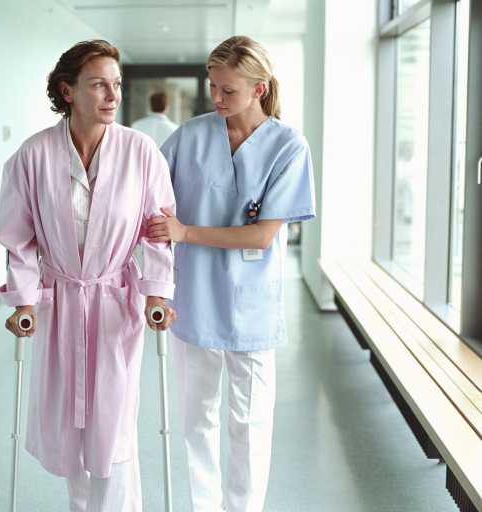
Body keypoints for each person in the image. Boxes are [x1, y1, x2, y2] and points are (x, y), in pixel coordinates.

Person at [0, 40, 177, 512]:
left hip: (116, 300)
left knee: (113, 426)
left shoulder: (141, 151)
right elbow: (19, 238)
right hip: (60, 303)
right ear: (68, 91)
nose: (112, 95)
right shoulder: (32, 156)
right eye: (98, 84)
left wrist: (157, 293)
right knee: (71, 426)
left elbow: (157, 231)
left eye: (116, 84)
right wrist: (23, 301)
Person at [148, 36, 316, 512]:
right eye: (213, 88)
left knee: (249, 422)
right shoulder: (190, 136)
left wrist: (186, 231)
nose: (217, 99)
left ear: (259, 89)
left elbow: (261, 236)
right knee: (195, 418)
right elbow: (151, 202)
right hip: (193, 298)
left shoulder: (288, 146)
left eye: (229, 91)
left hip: (252, 306)